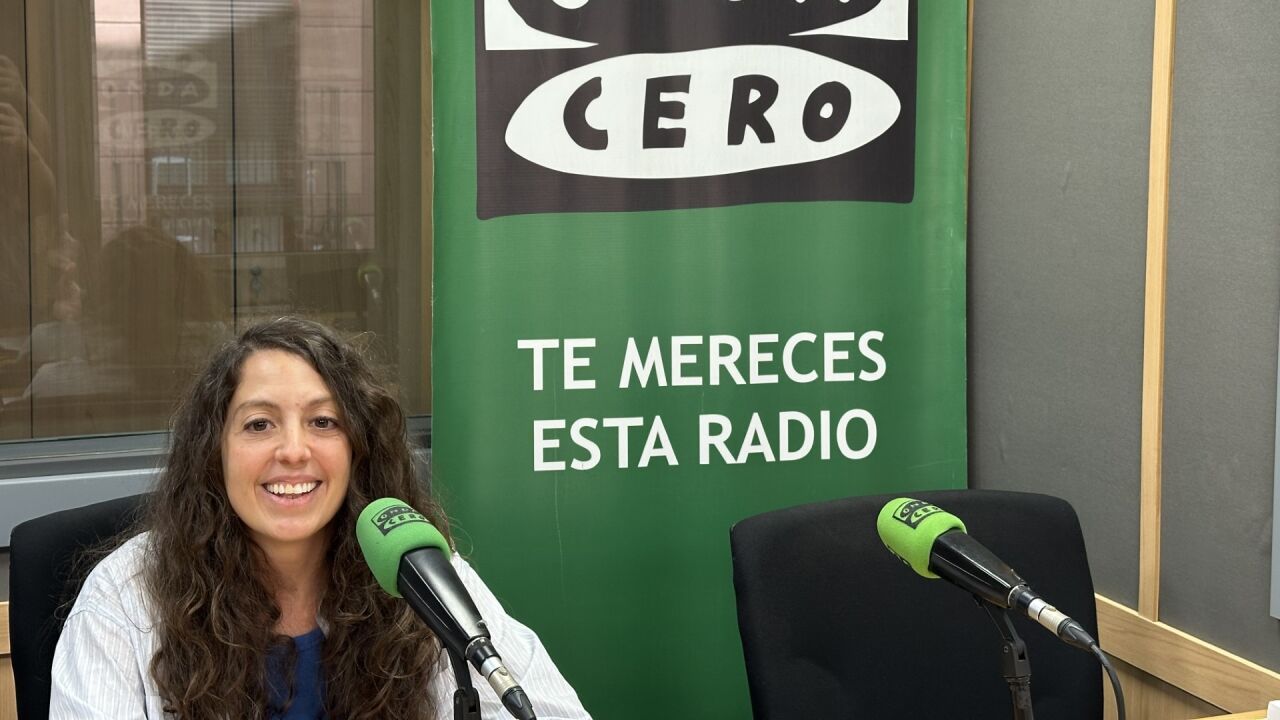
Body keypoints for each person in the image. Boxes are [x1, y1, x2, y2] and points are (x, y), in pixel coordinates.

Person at [49, 317, 591, 719]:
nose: (293, 450)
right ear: (214, 452)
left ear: (359, 447)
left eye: (324, 422)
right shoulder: (126, 597)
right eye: (259, 425)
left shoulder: (415, 568)